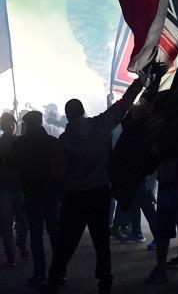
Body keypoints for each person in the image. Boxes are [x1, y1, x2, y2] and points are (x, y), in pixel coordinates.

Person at [45, 75, 146, 294]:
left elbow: (58, 173)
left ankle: (54, 280)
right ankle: (105, 283)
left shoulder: (64, 140)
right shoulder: (102, 124)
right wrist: (139, 82)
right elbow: (124, 104)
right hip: (100, 193)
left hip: (74, 198)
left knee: (66, 243)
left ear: (68, 116)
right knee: (101, 243)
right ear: (83, 111)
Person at [12, 110, 60, 288]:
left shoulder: (21, 143)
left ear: (26, 125)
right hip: (51, 194)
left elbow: (11, 164)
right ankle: (59, 272)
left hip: (32, 195)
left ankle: (39, 273)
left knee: (36, 236)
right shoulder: (53, 142)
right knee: (55, 235)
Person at [0, 112, 28, 267]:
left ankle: (16, 249)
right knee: (15, 223)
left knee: (15, 223)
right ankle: (13, 252)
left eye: (12, 123)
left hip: (11, 188)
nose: (10, 126)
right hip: (10, 188)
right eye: (8, 123)